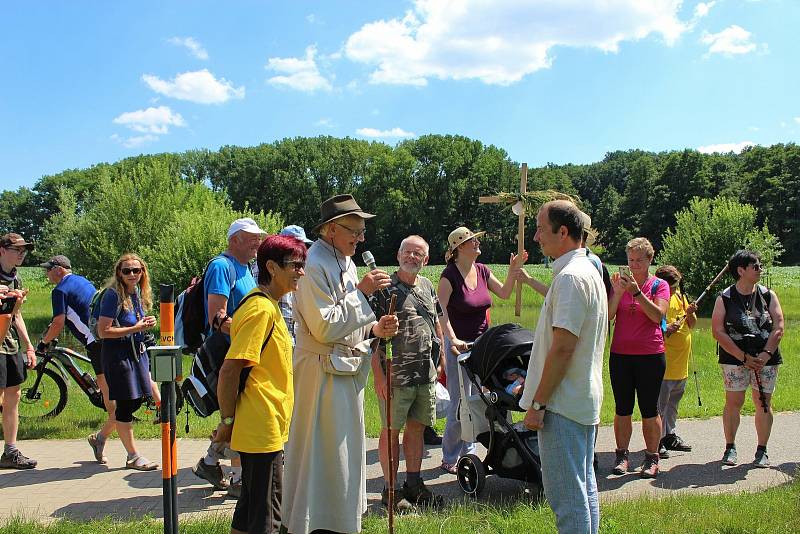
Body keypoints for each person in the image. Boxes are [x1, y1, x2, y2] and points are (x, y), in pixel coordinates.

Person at [281, 194, 398, 534]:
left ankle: (339, 522)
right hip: (319, 374)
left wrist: (375, 328)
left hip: (345, 369)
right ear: (331, 229)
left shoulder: (346, 260)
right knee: (318, 452)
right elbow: (324, 326)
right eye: (355, 231)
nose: (361, 239)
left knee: (342, 455)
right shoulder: (311, 263)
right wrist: (362, 293)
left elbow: (348, 322)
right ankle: (310, 523)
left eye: (362, 232)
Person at [520, 200, 608, 534]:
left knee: (568, 501)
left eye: (542, 229)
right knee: (584, 490)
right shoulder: (588, 271)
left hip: (562, 403)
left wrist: (539, 403)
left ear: (564, 232)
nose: (536, 237)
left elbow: (563, 349)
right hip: (580, 399)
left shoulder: (572, 278)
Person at [214, 234, 306, 534]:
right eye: (294, 265)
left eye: (302, 265)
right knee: (267, 516)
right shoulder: (261, 309)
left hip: (264, 427)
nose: (301, 272)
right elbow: (230, 371)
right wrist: (227, 420)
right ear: (271, 267)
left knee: (250, 510)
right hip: (261, 429)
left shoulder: (269, 305)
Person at [437, 226, 521, 474]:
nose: (477, 243)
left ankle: (469, 450)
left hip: (483, 347)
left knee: (482, 398)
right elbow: (440, 309)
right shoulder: (449, 275)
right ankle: (450, 456)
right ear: (459, 247)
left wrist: (514, 272)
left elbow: (504, 293)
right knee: (459, 403)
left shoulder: (482, 270)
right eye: (472, 240)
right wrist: (452, 340)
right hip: (459, 348)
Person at [369, 235, 444, 512]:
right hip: (394, 377)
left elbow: (436, 321)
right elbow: (371, 338)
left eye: (419, 254)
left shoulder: (427, 285)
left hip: (424, 375)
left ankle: (414, 484)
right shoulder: (383, 289)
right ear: (398, 254)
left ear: (426, 260)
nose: (413, 257)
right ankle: (390, 490)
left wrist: (441, 361)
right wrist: (378, 375)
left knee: (417, 429)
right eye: (408, 252)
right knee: (391, 432)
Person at [193, 217, 266, 497]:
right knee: (237, 415)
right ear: (234, 239)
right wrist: (250, 332)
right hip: (230, 355)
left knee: (238, 414)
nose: (257, 243)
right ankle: (237, 479)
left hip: (246, 353)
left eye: (258, 238)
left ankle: (211, 461)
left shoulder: (246, 267)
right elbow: (217, 316)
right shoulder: (221, 266)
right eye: (251, 238)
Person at [35, 255, 116, 464]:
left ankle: (102, 436)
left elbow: (58, 322)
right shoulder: (83, 280)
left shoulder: (60, 290)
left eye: (48, 269)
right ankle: (114, 437)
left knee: (110, 396)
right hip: (106, 336)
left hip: (95, 342)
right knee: (112, 393)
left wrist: (44, 342)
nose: (47, 273)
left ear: (59, 269)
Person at [712, 250, 784, 468]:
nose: (760, 269)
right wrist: (742, 356)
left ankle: (762, 450)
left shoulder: (768, 295)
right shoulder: (725, 297)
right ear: (741, 271)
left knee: (763, 403)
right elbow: (718, 331)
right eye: (756, 266)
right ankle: (730, 447)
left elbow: (778, 326)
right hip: (734, 359)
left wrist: (765, 354)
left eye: (760, 266)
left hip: (766, 359)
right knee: (734, 402)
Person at [608, 237, 670, 478]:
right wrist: (618, 292)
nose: (633, 266)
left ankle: (651, 457)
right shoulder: (620, 283)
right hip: (621, 354)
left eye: (638, 261)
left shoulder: (659, 285)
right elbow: (609, 315)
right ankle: (622, 455)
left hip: (651, 355)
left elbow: (658, 316)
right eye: (630, 260)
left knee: (649, 408)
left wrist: (637, 293)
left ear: (649, 260)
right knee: (622, 407)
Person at [96, 253, 158, 470]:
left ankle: (99, 438)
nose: (132, 274)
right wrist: (136, 328)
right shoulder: (112, 296)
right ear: (119, 273)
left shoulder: (137, 293)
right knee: (125, 404)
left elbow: (136, 323)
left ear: (143, 273)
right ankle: (133, 456)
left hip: (136, 354)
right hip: (118, 356)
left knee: (135, 401)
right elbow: (103, 331)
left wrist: (147, 322)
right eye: (127, 271)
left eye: (136, 270)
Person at [0, 233, 38, 469]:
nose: (22, 253)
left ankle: (10, 451)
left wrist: (29, 346)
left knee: (13, 396)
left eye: (24, 250)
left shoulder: (16, 278)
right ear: (2, 250)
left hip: (10, 343)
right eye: (17, 249)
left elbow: (17, 316)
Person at [654, 265, 697, 459]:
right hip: (665, 364)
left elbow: (692, 324)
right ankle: (658, 439)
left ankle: (669, 434)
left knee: (673, 404)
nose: (674, 289)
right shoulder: (659, 297)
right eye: (672, 286)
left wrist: (690, 312)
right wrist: (668, 328)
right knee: (660, 405)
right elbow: (656, 327)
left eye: (676, 285)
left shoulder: (680, 296)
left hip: (681, 363)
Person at [276, 225, 313, 345]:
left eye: (303, 245)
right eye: (296, 245)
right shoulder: (269, 268)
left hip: (295, 341)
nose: (301, 249)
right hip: (276, 341)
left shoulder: (299, 268)